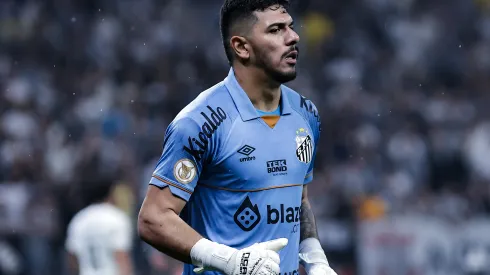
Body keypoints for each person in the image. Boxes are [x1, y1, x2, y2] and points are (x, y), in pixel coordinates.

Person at [138, 1, 338, 275]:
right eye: (276, 30)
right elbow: (153, 219)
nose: (293, 37)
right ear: (242, 47)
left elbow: (298, 201)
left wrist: (316, 260)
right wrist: (230, 262)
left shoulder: (306, 115)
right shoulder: (199, 122)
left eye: (290, 26)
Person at [65, 178, 134, 275]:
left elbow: (72, 258)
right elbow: (121, 255)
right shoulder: (117, 217)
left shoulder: (79, 219)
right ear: (110, 194)